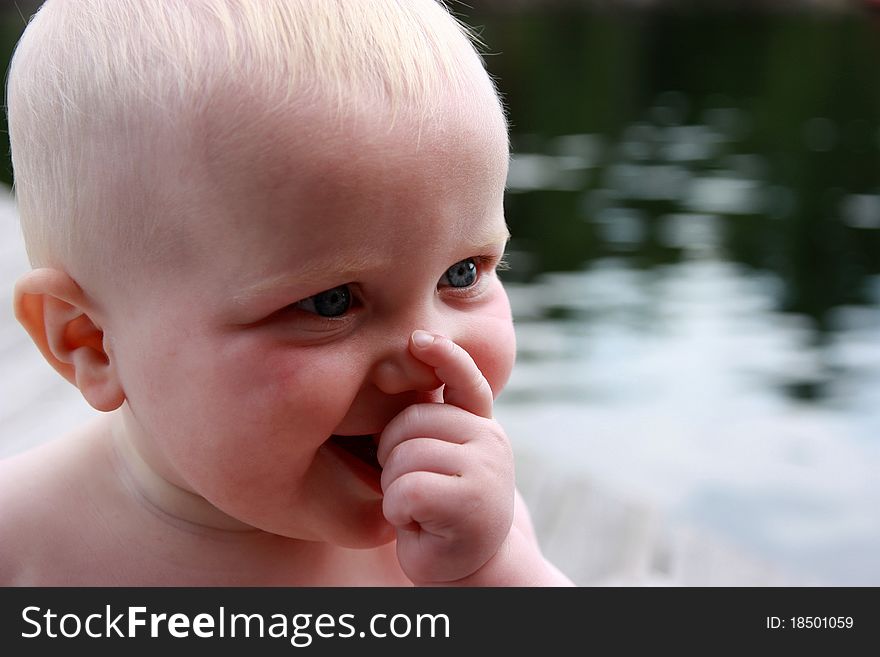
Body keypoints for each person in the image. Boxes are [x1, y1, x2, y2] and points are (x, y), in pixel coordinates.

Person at [0, 0, 572, 586]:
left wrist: (487, 570)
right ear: (91, 342)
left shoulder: (461, 534)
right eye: (331, 302)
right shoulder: (21, 545)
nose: (427, 357)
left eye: (462, 273)